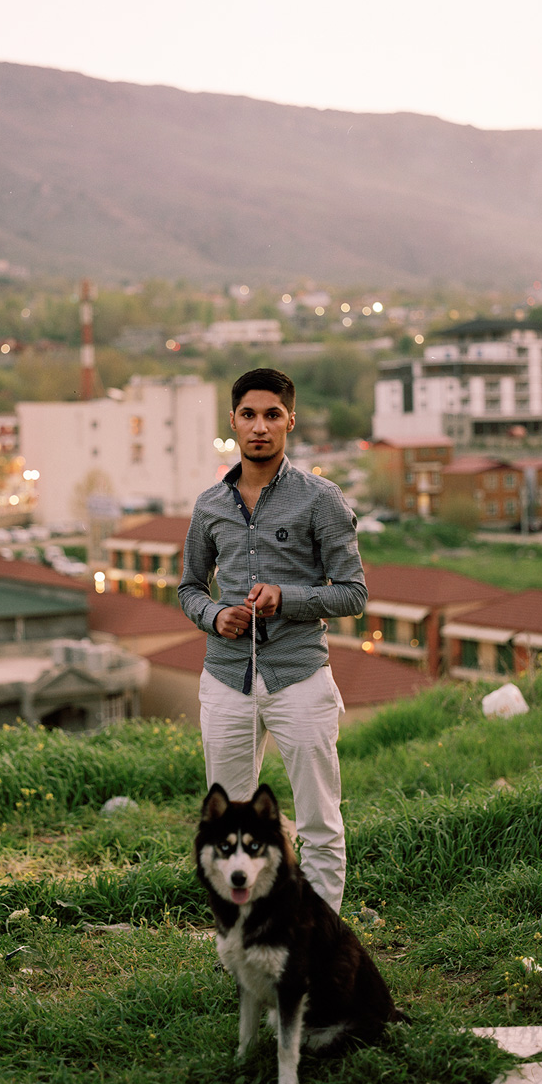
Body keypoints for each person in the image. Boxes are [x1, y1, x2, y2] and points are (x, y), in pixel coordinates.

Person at [178, 368, 367, 912]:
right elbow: (189, 588)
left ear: (289, 421)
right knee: (231, 825)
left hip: (299, 676)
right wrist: (215, 616)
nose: (259, 426)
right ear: (233, 422)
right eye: (248, 415)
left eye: (271, 415)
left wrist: (287, 597)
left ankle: (320, 941)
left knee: (318, 822)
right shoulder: (209, 505)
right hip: (225, 681)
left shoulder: (321, 500)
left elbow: (353, 594)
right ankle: (247, 939)